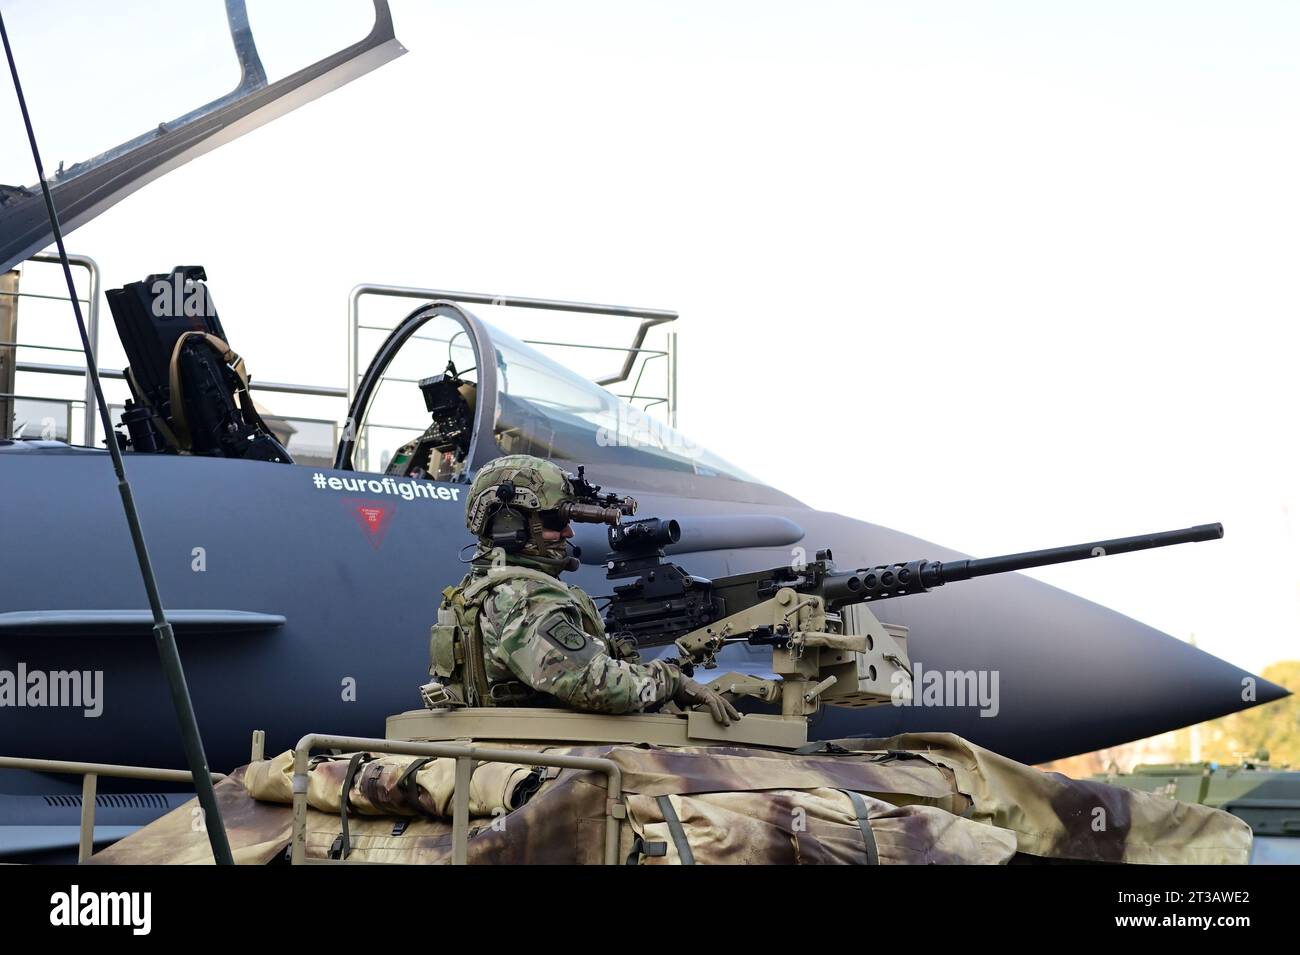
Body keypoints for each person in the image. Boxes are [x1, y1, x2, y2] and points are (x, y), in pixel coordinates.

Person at [425, 454, 740, 725]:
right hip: (545, 757)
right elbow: (596, 684)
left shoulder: (480, 587)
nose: (568, 531)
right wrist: (671, 682)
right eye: (553, 521)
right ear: (509, 525)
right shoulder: (523, 596)